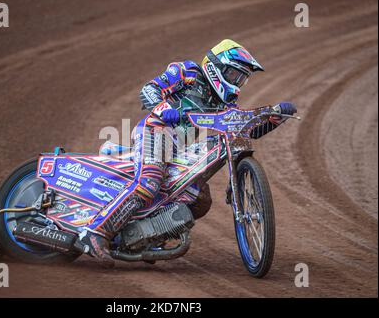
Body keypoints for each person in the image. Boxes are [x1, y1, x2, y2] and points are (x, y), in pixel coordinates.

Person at [76, 39, 297, 262]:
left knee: (200, 199)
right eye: (233, 75)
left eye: (242, 78)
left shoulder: (226, 104)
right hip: (156, 131)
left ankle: (149, 236)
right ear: (216, 67)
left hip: (180, 147)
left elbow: (246, 131)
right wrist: (165, 110)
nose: (237, 82)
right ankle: (95, 232)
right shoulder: (188, 72)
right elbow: (150, 89)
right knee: (149, 182)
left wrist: (275, 119)